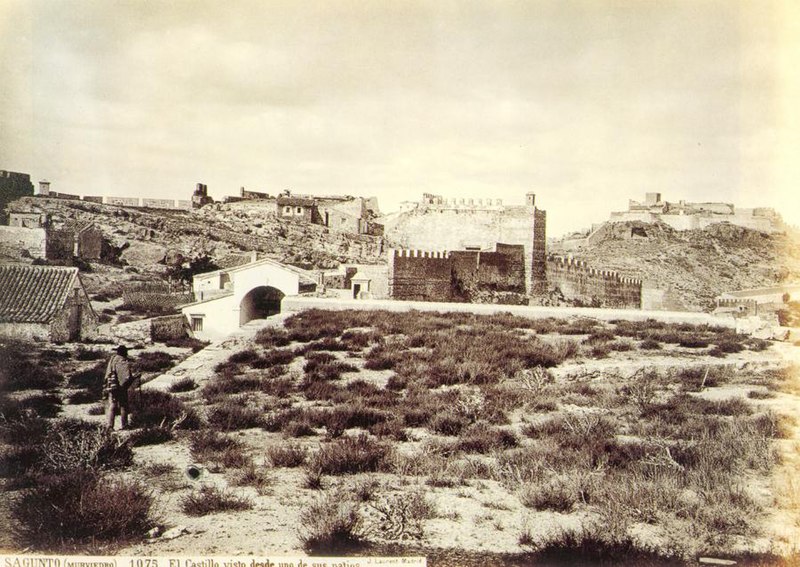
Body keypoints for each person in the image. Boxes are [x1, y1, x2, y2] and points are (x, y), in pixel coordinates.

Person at [104, 345, 137, 430]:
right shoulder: (122, 361)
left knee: (113, 405)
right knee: (123, 405)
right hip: (119, 386)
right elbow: (125, 377)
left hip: (111, 385)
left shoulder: (112, 360)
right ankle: (124, 425)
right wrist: (134, 378)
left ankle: (110, 426)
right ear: (124, 352)